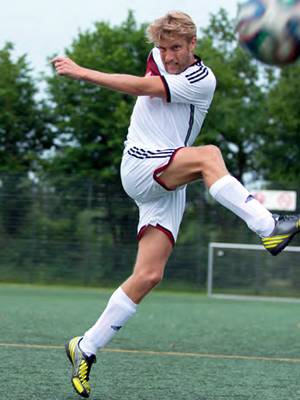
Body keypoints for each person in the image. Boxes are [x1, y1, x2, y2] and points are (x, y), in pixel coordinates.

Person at [52, 11, 300, 398]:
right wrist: (85, 72)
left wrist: (84, 72)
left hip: (166, 180)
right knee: (208, 156)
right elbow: (146, 76)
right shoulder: (159, 57)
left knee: (149, 275)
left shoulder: (202, 80)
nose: (168, 57)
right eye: (164, 49)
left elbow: (144, 87)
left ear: (193, 45)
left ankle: (85, 346)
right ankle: (269, 228)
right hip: (141, 164)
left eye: (177, 49)